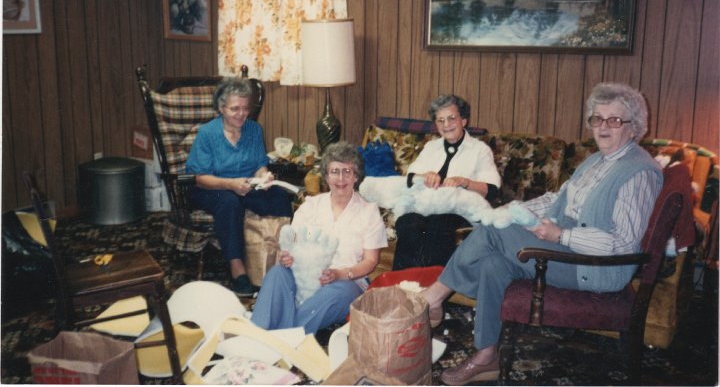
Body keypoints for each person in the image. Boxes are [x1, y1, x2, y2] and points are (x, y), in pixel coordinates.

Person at [422, 82, 664, 385]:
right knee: (492, 262)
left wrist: (561, 235)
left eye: (614, 120)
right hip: (574, 254)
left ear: (633, 126)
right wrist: (514, 210)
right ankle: (487, 355)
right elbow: (556, 199)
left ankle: (433, 297)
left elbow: (622, 243)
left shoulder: (638, 171)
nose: (602, 127)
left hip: (599, 268)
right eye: (597, 118)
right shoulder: (596, 160)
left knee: (493, 231)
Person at [251, 141, 387, 334]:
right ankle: (257, 331)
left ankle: (283, 337)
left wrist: (340, 274)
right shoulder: (311, 206)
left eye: (347, 171)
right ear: (325, 175)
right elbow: (296, 241)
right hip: (303, 272)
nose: (341, 178)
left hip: (345, 281)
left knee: (338, 294)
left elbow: (371, 261)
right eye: (334, 171)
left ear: (356, 176)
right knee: (277, 273)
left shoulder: (368, 212)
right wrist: (286, 255)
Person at [185, 77, 293, 297]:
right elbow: (199, 177)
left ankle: (283, 257)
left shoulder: (253, 129)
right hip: (211, 188)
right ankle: (238, 269)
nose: (241, 114)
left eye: (245, 108)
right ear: (221, 108)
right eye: (235, 109)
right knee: (230, 203)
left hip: (245, 185)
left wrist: (265, 176)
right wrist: (229, 184)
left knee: (280, 196)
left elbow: (259, 166)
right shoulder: (207, 133)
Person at [392, 94, 501, 270]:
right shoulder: (431, 147)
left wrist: (465, 182)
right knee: (407, 222)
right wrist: (425, 176)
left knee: (438, 224)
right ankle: (402, 285)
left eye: (451, 118)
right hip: (426, 209)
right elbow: (410, 178)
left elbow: (493, 190)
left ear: (464, 120)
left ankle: (431, 289)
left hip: (460, 212)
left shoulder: (480, 150)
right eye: (440, 120)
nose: (446, 125)